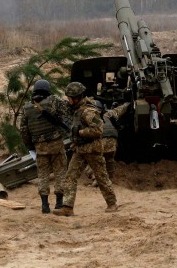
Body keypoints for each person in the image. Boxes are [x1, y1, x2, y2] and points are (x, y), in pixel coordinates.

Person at [53, 82, 117, 216]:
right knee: (70, 176)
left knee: (101, 177)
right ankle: (68, 207)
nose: (68, 100)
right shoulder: (76, 109)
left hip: (93, 150)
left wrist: (80, 132)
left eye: (70, 97)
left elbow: (98, 130)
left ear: (77, 97)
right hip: (80, 150)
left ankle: (112, 204)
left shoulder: (88, 111)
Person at [19, 79, 70, 213]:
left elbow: (24, 130)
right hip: (56, 144)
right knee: (60, 173)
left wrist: (30, 146)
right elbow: (65, 117)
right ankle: (59, 203)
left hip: (39, 147)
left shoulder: (27, 108)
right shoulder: (55, 100)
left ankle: (44, 205)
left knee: (42, 175)